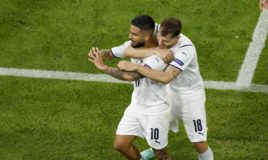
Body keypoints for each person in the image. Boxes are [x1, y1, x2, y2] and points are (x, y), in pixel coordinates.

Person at [117, 17, 214, 160]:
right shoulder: (156, 29)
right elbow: (128, 49)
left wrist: (136, 66)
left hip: (189, 95)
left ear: (178, 37)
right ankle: (154, 149)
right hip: (166, 91)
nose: (161, 44)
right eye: (159, 38)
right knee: (156, 127)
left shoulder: (186, 49)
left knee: (198, 142)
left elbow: (166, 77)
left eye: (166, 42)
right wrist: (156, 51)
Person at [88, 15, 172, 160]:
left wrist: (105, 68)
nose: (130, 36)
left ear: (146, 36)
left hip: (156, 110)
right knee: (121, 145)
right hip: (136, 105)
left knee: (161, 154)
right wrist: (97, 54)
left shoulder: (160, 58)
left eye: (134, 34)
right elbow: (109, 53)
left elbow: (130, 76)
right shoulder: (133, 46)